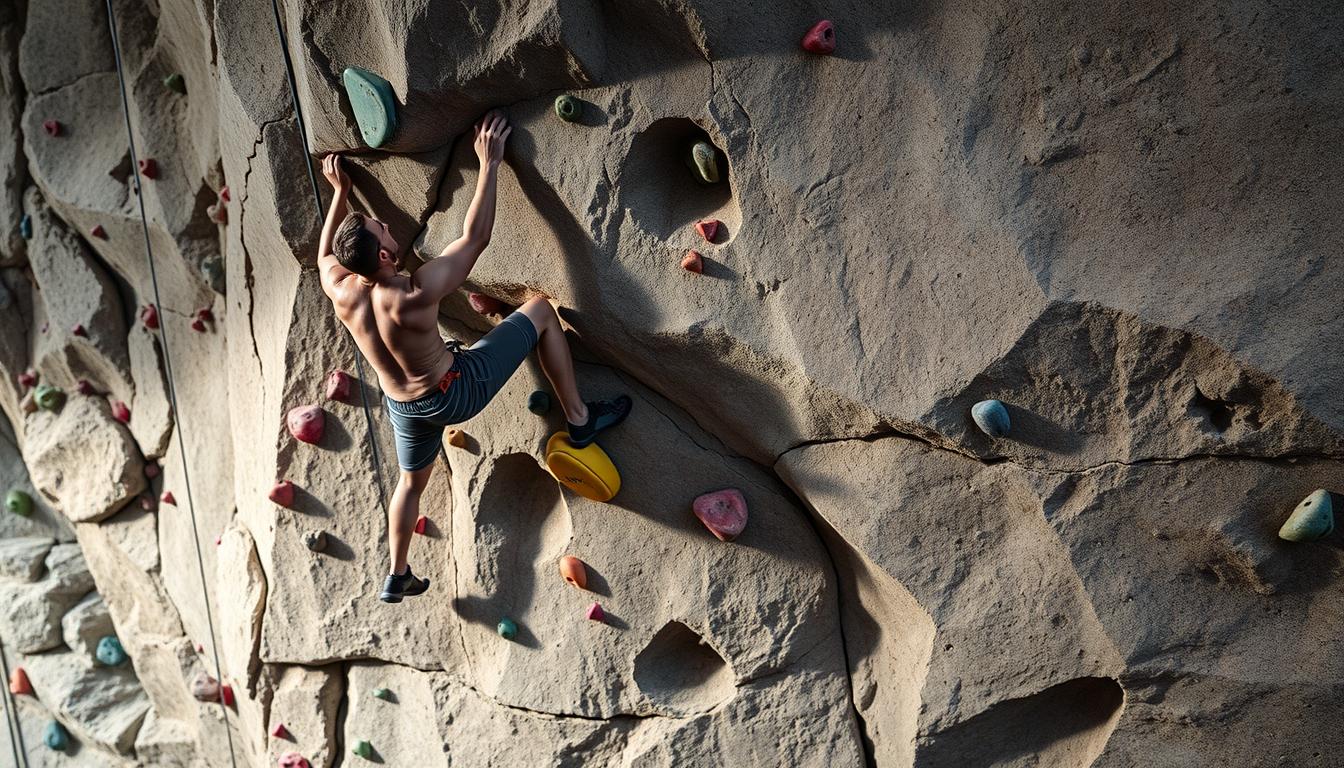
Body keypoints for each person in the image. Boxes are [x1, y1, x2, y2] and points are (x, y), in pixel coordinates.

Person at [316, 110, 632, 604]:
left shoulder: (340, 289)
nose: (385, 223)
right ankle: (580, 417)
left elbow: (323, 256)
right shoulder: (416, 292)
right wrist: (489, 163)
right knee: (542, 312)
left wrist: (339, 194)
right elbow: (474, 239)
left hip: (402, 407)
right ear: (382, 256)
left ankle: (397, 572)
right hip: (453, 391)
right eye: (381, 228)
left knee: (409, 485)